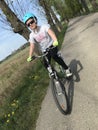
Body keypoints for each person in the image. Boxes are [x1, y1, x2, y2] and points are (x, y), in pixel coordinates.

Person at [23, 13, 72, 77]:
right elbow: (32, 45)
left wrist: (55, 40)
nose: (31, 25)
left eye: (31, 22)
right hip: (45, 50)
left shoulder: (44, 27)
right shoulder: (32, 35)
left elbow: (51, 33)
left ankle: (66, 69)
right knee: (45, 62)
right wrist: (30, 56)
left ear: (35, 20)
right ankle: (51, 72)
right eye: (28, 25)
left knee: (54, 56)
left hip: (52, 45)